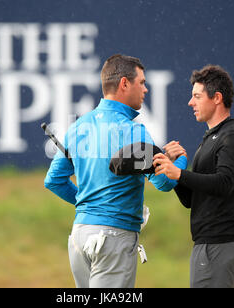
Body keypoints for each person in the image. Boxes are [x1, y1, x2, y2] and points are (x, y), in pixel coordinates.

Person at [44, 54, 188, 288]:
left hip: (79, 235)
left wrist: (89, 206)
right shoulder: (133, 131)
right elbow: (163, 183)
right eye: (141, 82)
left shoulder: (78, 126)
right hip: (113, 238)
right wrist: (179, 162)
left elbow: (54, 181)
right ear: (124, 84)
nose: (146, 89)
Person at [153, 65, 234, 288]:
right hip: (210, 244)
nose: (191, 103)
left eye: (197, 96)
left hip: (220, 245)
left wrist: (180, 173)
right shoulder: (211, 139)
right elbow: (192, 200)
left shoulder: (232, 137)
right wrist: (174, 174)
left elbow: (224, 183)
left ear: (217, 98)